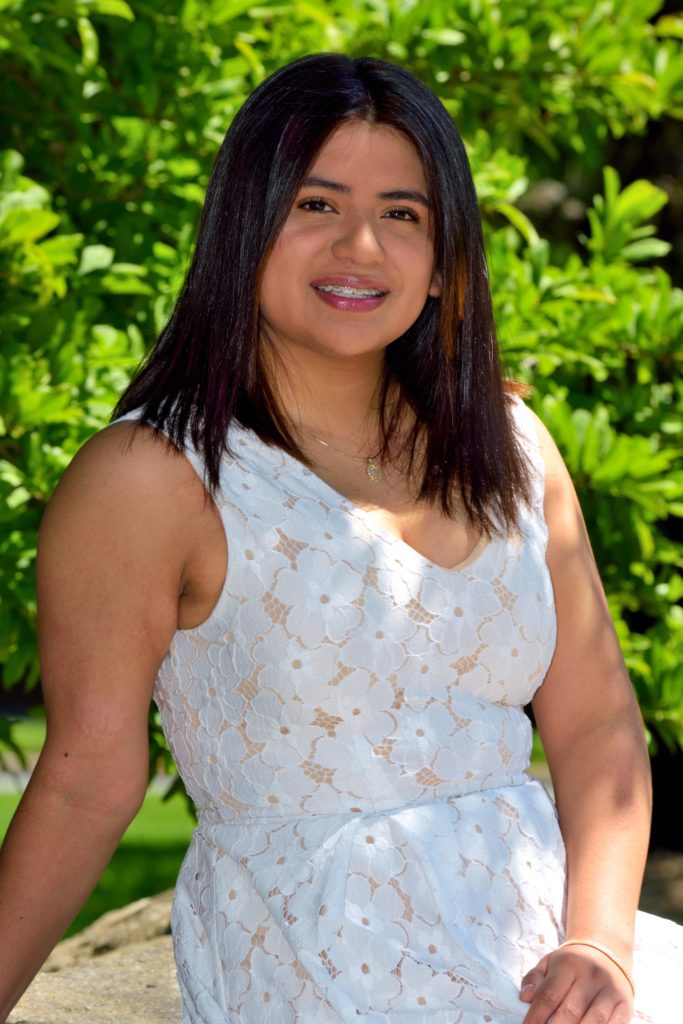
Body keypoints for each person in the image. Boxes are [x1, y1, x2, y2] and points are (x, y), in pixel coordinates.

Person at [0, 52, 681, 1024]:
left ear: (446, 261)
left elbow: (594, 727)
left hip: (547, 942)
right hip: (321, 956)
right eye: (315, 204)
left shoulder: (511, 448)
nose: (359, 246)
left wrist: (599, 943)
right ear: (244, 228)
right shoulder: (153, 478)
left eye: (401, 214)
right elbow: (83, 779)